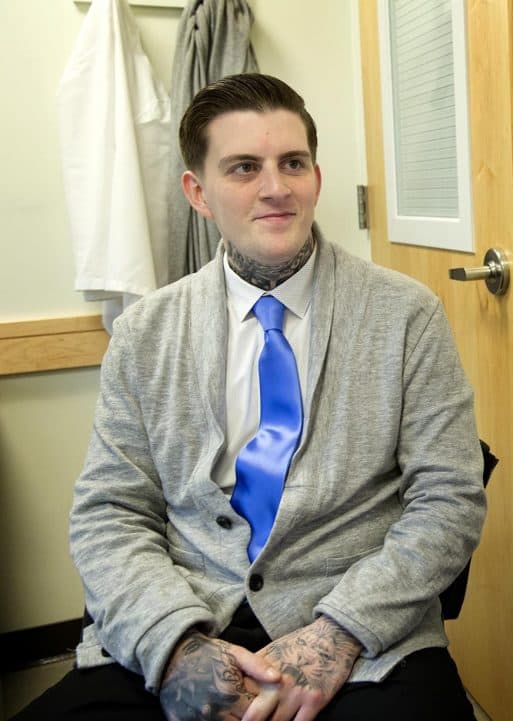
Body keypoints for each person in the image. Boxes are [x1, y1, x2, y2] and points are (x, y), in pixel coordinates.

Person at [15, 73, 485, 721]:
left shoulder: (406, 316)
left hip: (356, 633)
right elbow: (110, 513)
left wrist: (338, 633)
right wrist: (174, 644)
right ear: (198, 192)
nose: (275, 187)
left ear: (316, 177)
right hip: (186, 616)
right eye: (243, 167)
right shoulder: (145, 333)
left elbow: (449, 501)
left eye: (293, 163)